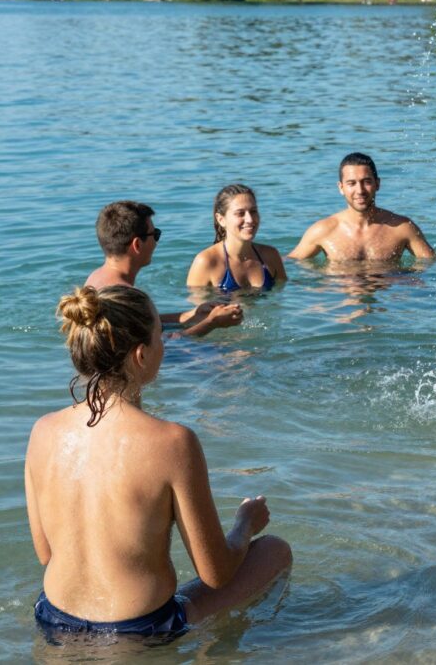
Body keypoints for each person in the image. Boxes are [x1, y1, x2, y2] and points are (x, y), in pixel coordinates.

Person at [25, 285, 292, 640]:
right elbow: (216, 573)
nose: (164, 345)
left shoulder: (43, 431)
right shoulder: (173, 442)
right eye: (160, 334)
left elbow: (46, 554)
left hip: (53, 619)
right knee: (275, 551)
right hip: (141, 631)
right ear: (140, 355)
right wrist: (245, 524)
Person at [86, 200, 242, 337]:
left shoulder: (96, 278)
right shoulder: (130, 298)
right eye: (155, 234)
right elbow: (165, 346)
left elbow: (139, 323)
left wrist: (191, 315)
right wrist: (212, 322)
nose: (156, 242)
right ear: (137, 245)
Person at [288, 153, 436, 263]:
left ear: (377, 184)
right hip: (339, 299)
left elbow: (432, 262)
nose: (360, 190)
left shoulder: (402, 227)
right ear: (341, 188)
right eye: (351, 183)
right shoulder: (323, 230)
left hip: (387, 299)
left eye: (366, 182)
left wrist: (407, 277)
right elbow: (290, 263)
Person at [187, 185, 288, 292]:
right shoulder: (206, 262)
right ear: (221, 219)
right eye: (240, 213)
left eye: (253, 211)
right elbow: (197, 306)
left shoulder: (270, 256)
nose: (249, 219)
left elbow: (283, 296)